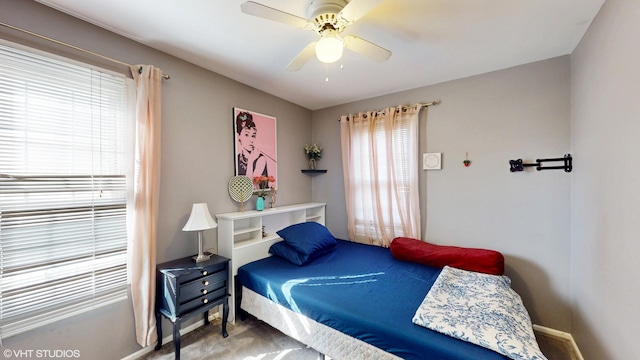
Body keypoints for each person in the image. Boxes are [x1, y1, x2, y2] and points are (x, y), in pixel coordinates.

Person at [236, 111, 268, 179]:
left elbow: (251, 186)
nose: (251, 140)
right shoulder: (238, 158)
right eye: (246, 135)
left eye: (253, 136)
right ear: (239, 136)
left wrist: (250, 161)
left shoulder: (260, 158)